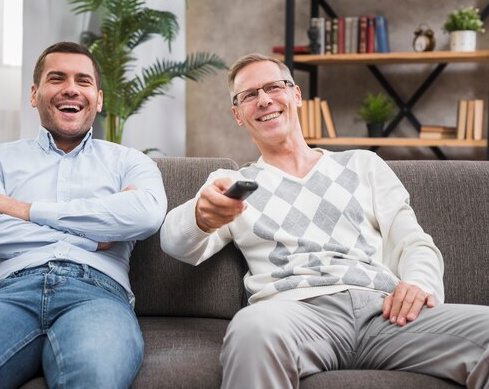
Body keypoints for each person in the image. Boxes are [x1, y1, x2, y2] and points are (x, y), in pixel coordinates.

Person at [160, 53, 489, 388]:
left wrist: (419, 284)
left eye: (274, 87)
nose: (264, 100)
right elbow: (175, 243)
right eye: (249, 95)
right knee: (251, 328)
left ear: (296, 95)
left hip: (387, 314)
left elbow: (414, 242)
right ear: (238, 115)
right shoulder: (232, 182)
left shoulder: (363, 164)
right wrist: (200, 215)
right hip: (295, 316)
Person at [0, 42, 167, 389]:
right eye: (57, 78)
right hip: (9, 293)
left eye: (82, 81)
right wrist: (95, 234)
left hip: (97, 294)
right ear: (35, 94)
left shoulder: (131, 162)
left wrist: (23, 210)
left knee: (95, 379)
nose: (70, 88)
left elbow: (146, 216)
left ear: (98, 99)